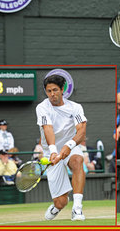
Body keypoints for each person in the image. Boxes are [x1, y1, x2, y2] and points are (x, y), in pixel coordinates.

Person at [36, 74, 87, 221]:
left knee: (77, 160)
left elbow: (81, 132)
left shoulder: (76, 107)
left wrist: (69, 146)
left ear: (62, 90)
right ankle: (57, 207)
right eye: (49, 91)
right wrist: (53, 151)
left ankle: (77, 209)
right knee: (61, 201)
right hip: (50, 151)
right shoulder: (42, 107)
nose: (52, 94)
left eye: (55, 90)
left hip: (71, 144)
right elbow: (48, 128)